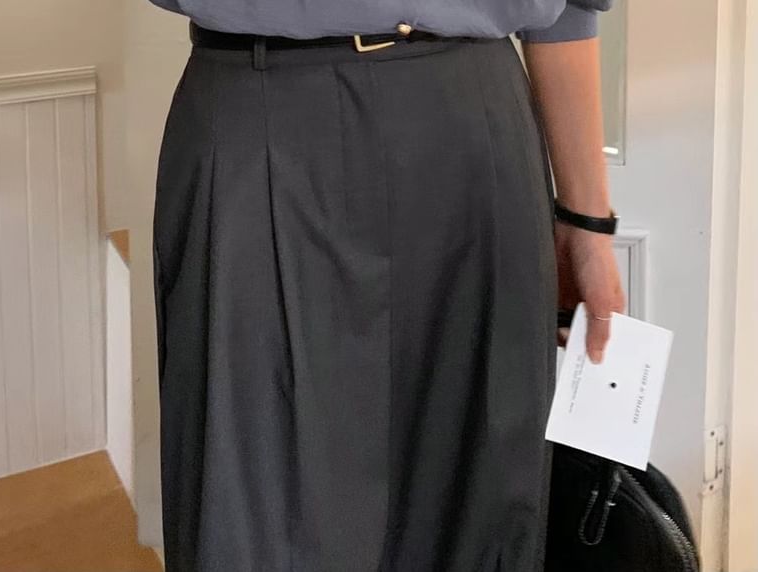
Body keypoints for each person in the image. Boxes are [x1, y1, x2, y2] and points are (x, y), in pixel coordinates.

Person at [148, 1, 626, 570]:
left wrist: (588, 224)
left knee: (479, 513)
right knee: (253, 515)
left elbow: (568, 10)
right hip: (261, 117)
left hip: (472, 122)